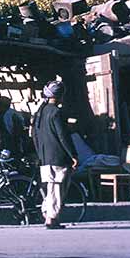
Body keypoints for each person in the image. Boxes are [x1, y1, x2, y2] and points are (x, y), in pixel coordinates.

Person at [31, 80, 78, 229]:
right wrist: (73, 155)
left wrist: (39, 153)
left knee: (50, 187)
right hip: (58, 156)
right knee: (57, 188)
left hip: (45, 157)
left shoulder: (40, 112)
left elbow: (34, 135)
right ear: (59, 96)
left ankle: (48, 214)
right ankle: (51, 217)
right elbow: (63, 136)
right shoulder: (56, 113)